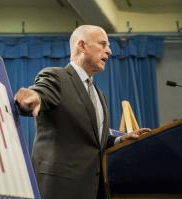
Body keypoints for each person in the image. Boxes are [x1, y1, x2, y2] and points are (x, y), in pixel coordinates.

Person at [14, 25, 151, 199]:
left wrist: (120, 139)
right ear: (82, 46)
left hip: (93, 190)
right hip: (60, 189)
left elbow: (92, 141)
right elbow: (41, 91)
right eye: (103, 44)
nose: (109, 51)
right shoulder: (57, 77)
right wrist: (32, 96)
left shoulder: (99, 94)